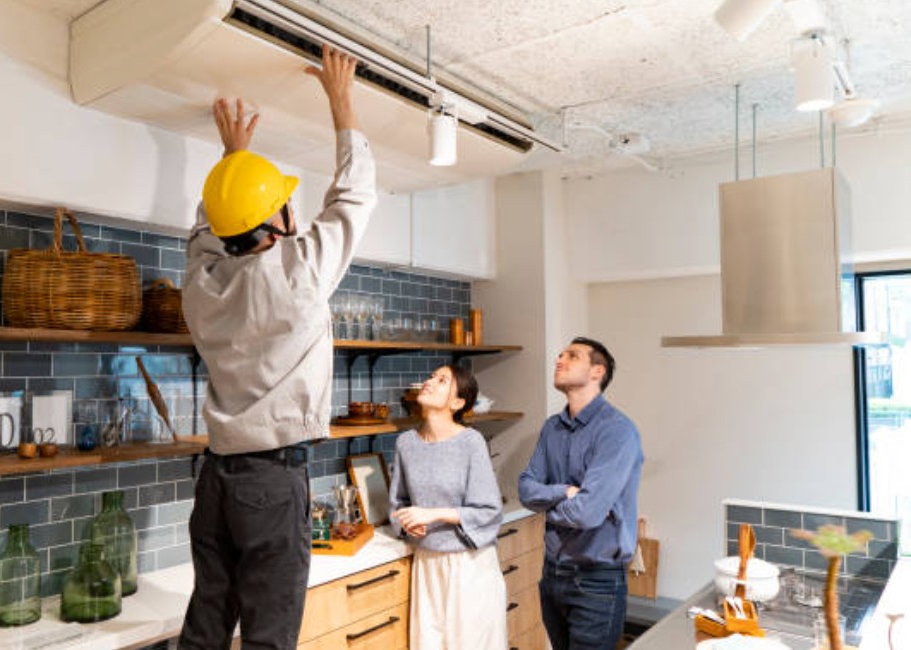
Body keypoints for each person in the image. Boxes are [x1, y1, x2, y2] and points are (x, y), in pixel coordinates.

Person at [178, 44, 376, 650]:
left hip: (215, 481)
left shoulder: (200, 285)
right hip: (271, 480)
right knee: (269, 636)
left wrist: (236, 165)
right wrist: (342, 102)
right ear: (280, 220)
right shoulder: (299, 272)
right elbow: (353, 199)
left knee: (207, 623)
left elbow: (211, 227)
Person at [518, 337, 643, 650]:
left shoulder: (616, 430)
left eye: (572, 356)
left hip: (596, 580)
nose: (560, 360)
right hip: (551, 575)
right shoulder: (552, 428)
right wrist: (565, 491)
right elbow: (525, 488)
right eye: (560, 355)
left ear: (597, 372)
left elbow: (587, 513)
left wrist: (548, 507)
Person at [389, 364, 507, 650]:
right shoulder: (406, 443)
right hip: (427, 564)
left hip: (470, 565)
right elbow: (397, 503)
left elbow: (489, 511)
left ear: (457, 403)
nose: (430, 381)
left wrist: (433, 514)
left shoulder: (471, 442)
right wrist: (407, 523)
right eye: (431, 376)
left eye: (442, 380)